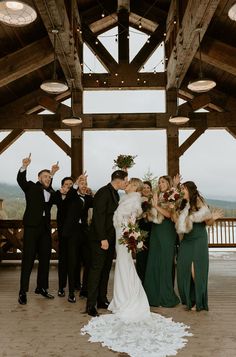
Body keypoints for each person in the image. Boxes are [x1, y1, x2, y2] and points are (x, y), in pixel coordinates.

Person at [81, 178, 191, 356]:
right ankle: (123, 297)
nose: (126, 185)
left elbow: (129, 220)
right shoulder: (127, 198)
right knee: (124, 268)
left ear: (133, 187)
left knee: (124, 267)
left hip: (122, 237)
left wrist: (129, 235)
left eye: (129, 184)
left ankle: (127, 298)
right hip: (119, 237)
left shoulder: (132, 199)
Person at [175, 181, 223, 311]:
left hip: (198, 239)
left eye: (183, 189)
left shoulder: (199, 201)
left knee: (195, 270)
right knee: (182, 268)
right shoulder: (184, 204)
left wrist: (214, 217)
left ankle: (198, 301)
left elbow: (208, 222)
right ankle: (188, 299)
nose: (181, 191)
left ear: (189, 189)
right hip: (187, 240)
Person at [17, 155, 59, 305]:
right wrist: (24, 166)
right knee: (28, 259)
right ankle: (23, 291)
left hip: (45, 229)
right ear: (39, 177)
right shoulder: (31, 187)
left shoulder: (51, 192)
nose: (47, 178)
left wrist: (53, 175)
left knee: (45, 259)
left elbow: (56, 197)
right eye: (45, 176)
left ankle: (41, 288)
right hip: (31, 228)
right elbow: (21, 181)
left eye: (49, 177)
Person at [86, 170, 128, 317]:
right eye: (125, 180)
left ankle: (101, 299)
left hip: (111, 238)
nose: (126, 183)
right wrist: (102, 238)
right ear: (118, 180)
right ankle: (90, 305)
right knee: (96, 270)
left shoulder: (115, 193)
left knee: (105, 270)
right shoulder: (103, 193)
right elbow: (98, 217)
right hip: (100, 239)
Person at [144, 175, 180, 307]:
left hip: (167, 231)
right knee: (154, 261)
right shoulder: (156, 195)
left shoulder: (173, 196)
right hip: (156, 231)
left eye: (163, 182)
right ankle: (152, 296)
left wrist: (156, 206)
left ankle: (166, 297)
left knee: (165, 262)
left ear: (169, 183)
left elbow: (170, 215)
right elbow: (150, 214)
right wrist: (149, 210)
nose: (160, 184)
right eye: (159, 182)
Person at [54, 177, 73, 298]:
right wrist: (62, 195)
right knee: (63, 261)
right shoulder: (57, 195)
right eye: (66, 184)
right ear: (62, 186)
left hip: (75, 233)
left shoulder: (75, 196)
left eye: (71, 185)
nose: (68, 186)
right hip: (63, 234)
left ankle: (75, 285)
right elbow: (60, 207)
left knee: (75, 260)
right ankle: (61, 287)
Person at [136, 181, 153, 284]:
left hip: (153, 233)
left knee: (151, 260)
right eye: (144, 188)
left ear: (151, 189)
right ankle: (140, 284)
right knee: (141, 260)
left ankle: (150, 285)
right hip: (141, 233)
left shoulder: (154, 201)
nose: (146, 189)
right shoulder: (138, 201)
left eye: (148, 187)